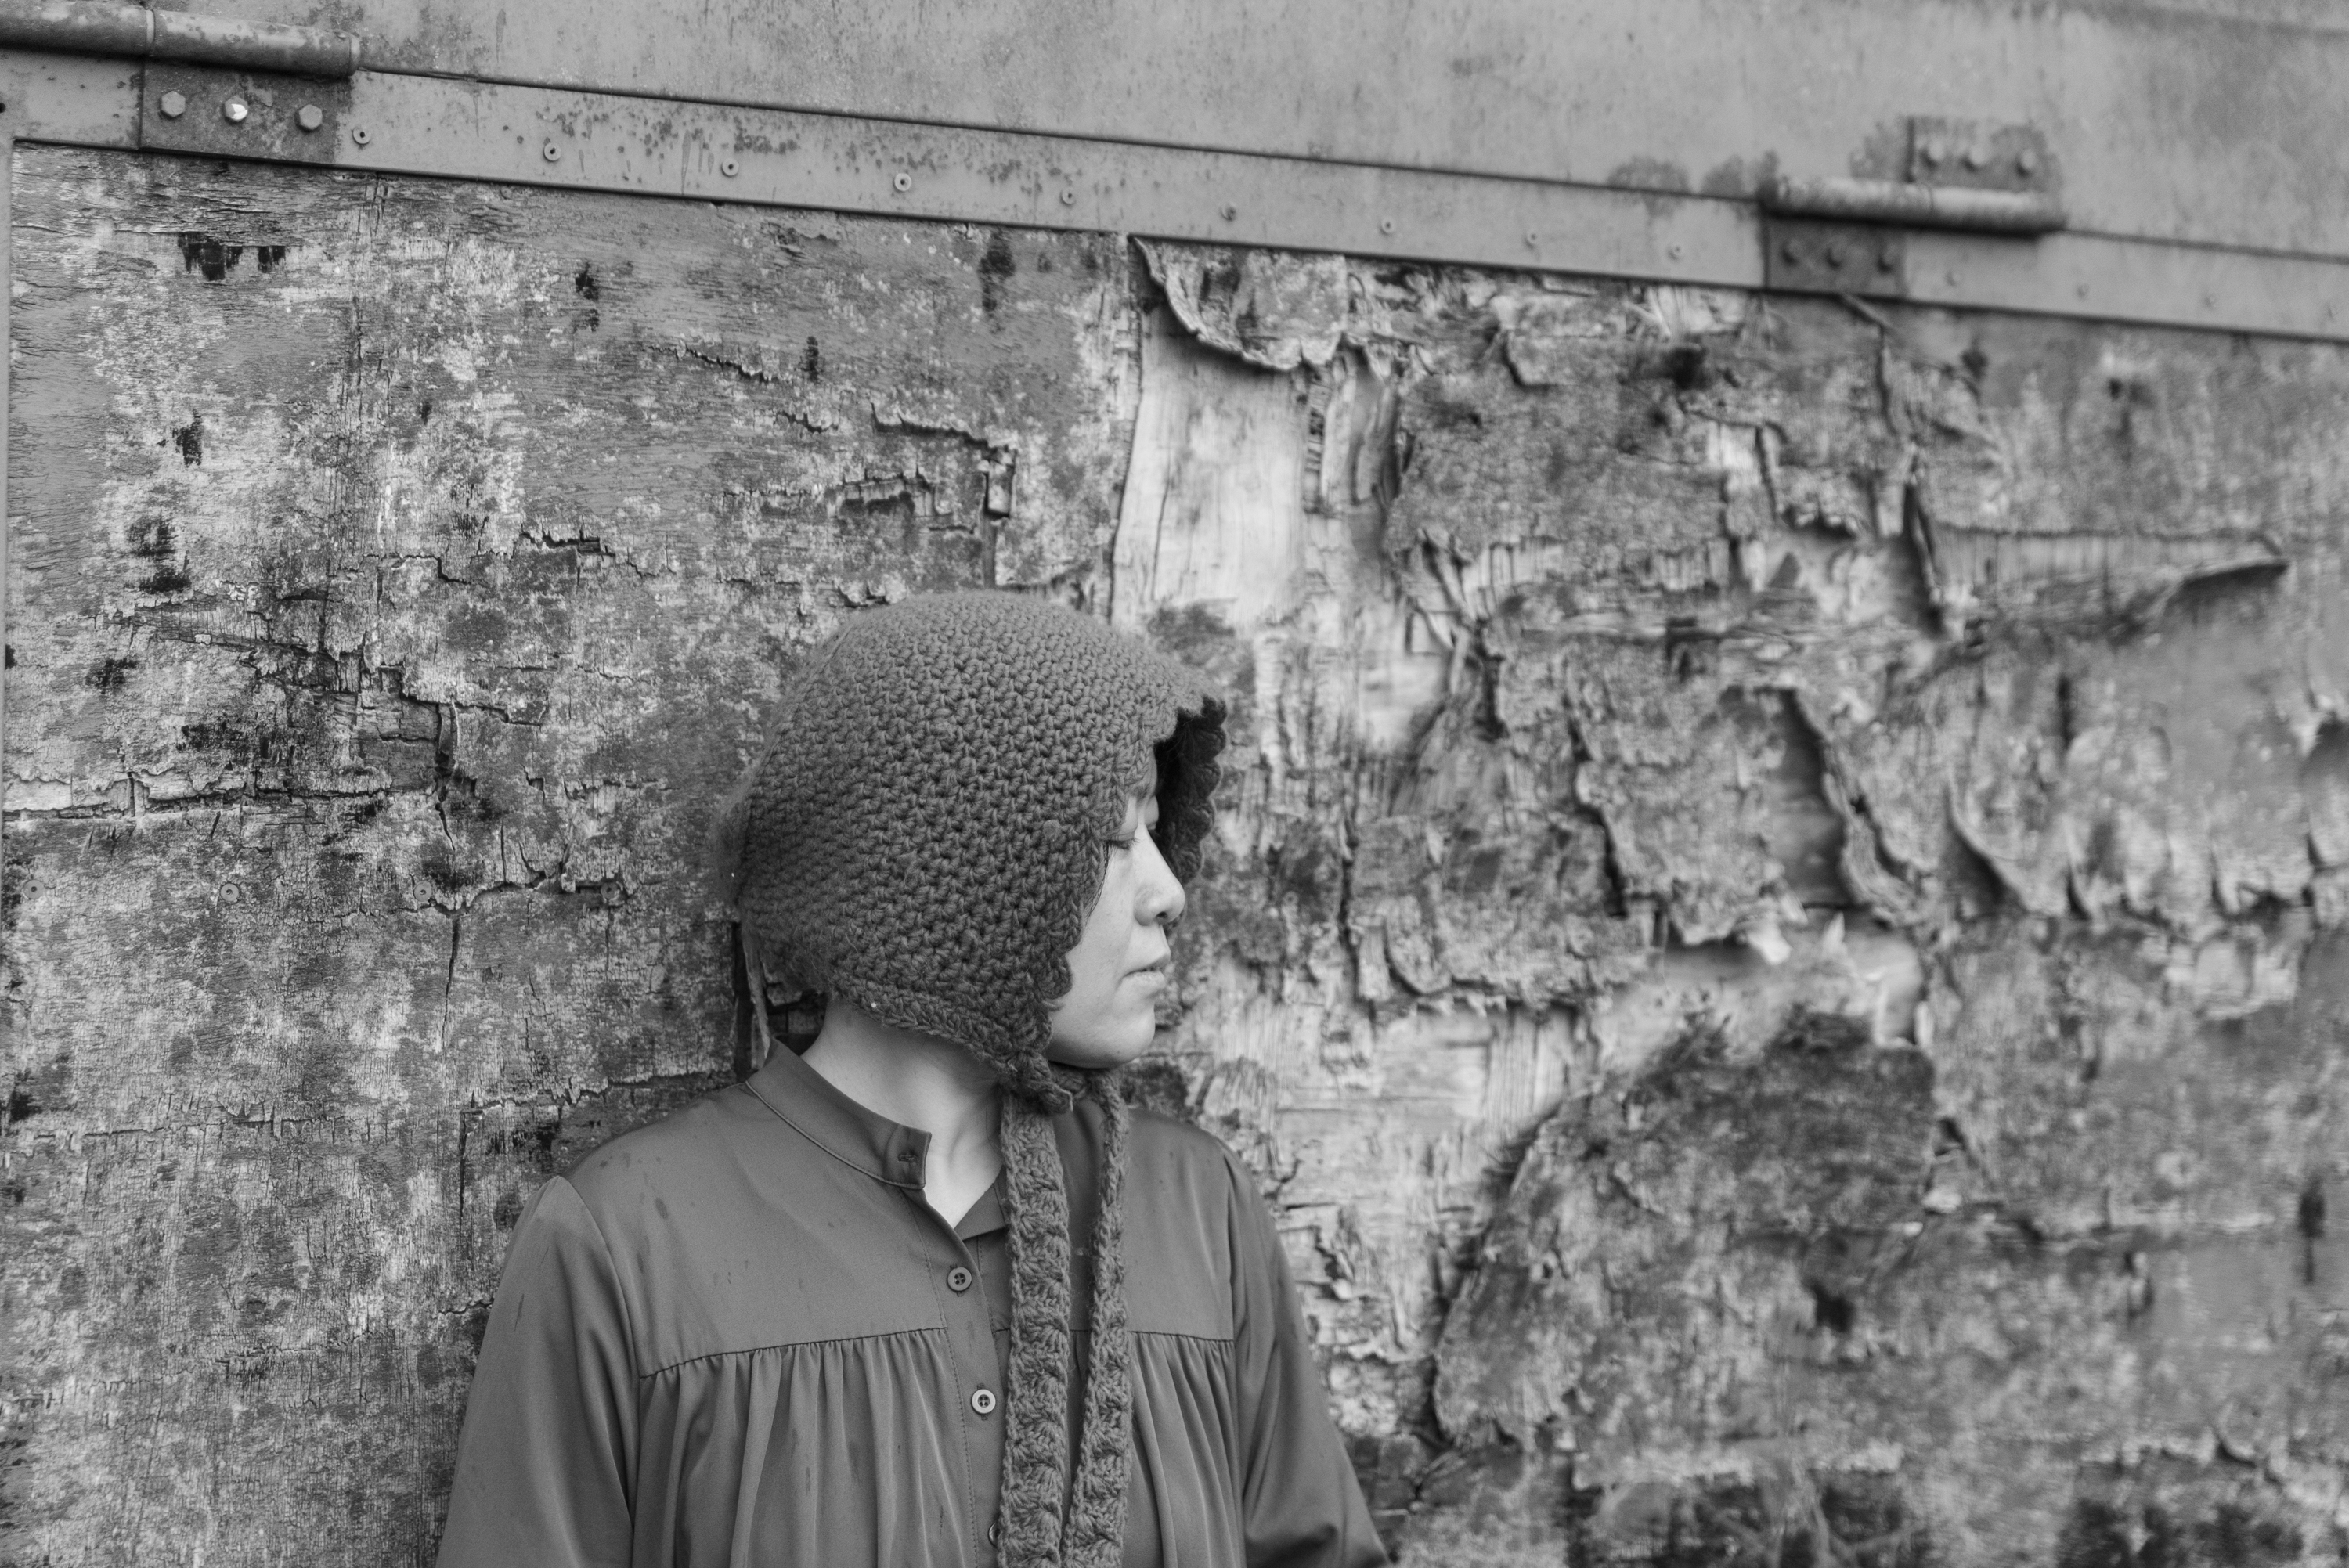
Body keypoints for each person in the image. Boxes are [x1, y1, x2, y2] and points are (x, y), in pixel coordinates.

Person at [436, 591, 1388, 1568]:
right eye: (1114, 840)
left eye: (1155, 833)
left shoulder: (1199, 1210)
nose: (1171, 891)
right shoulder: (628, 1244)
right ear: (961, 870)